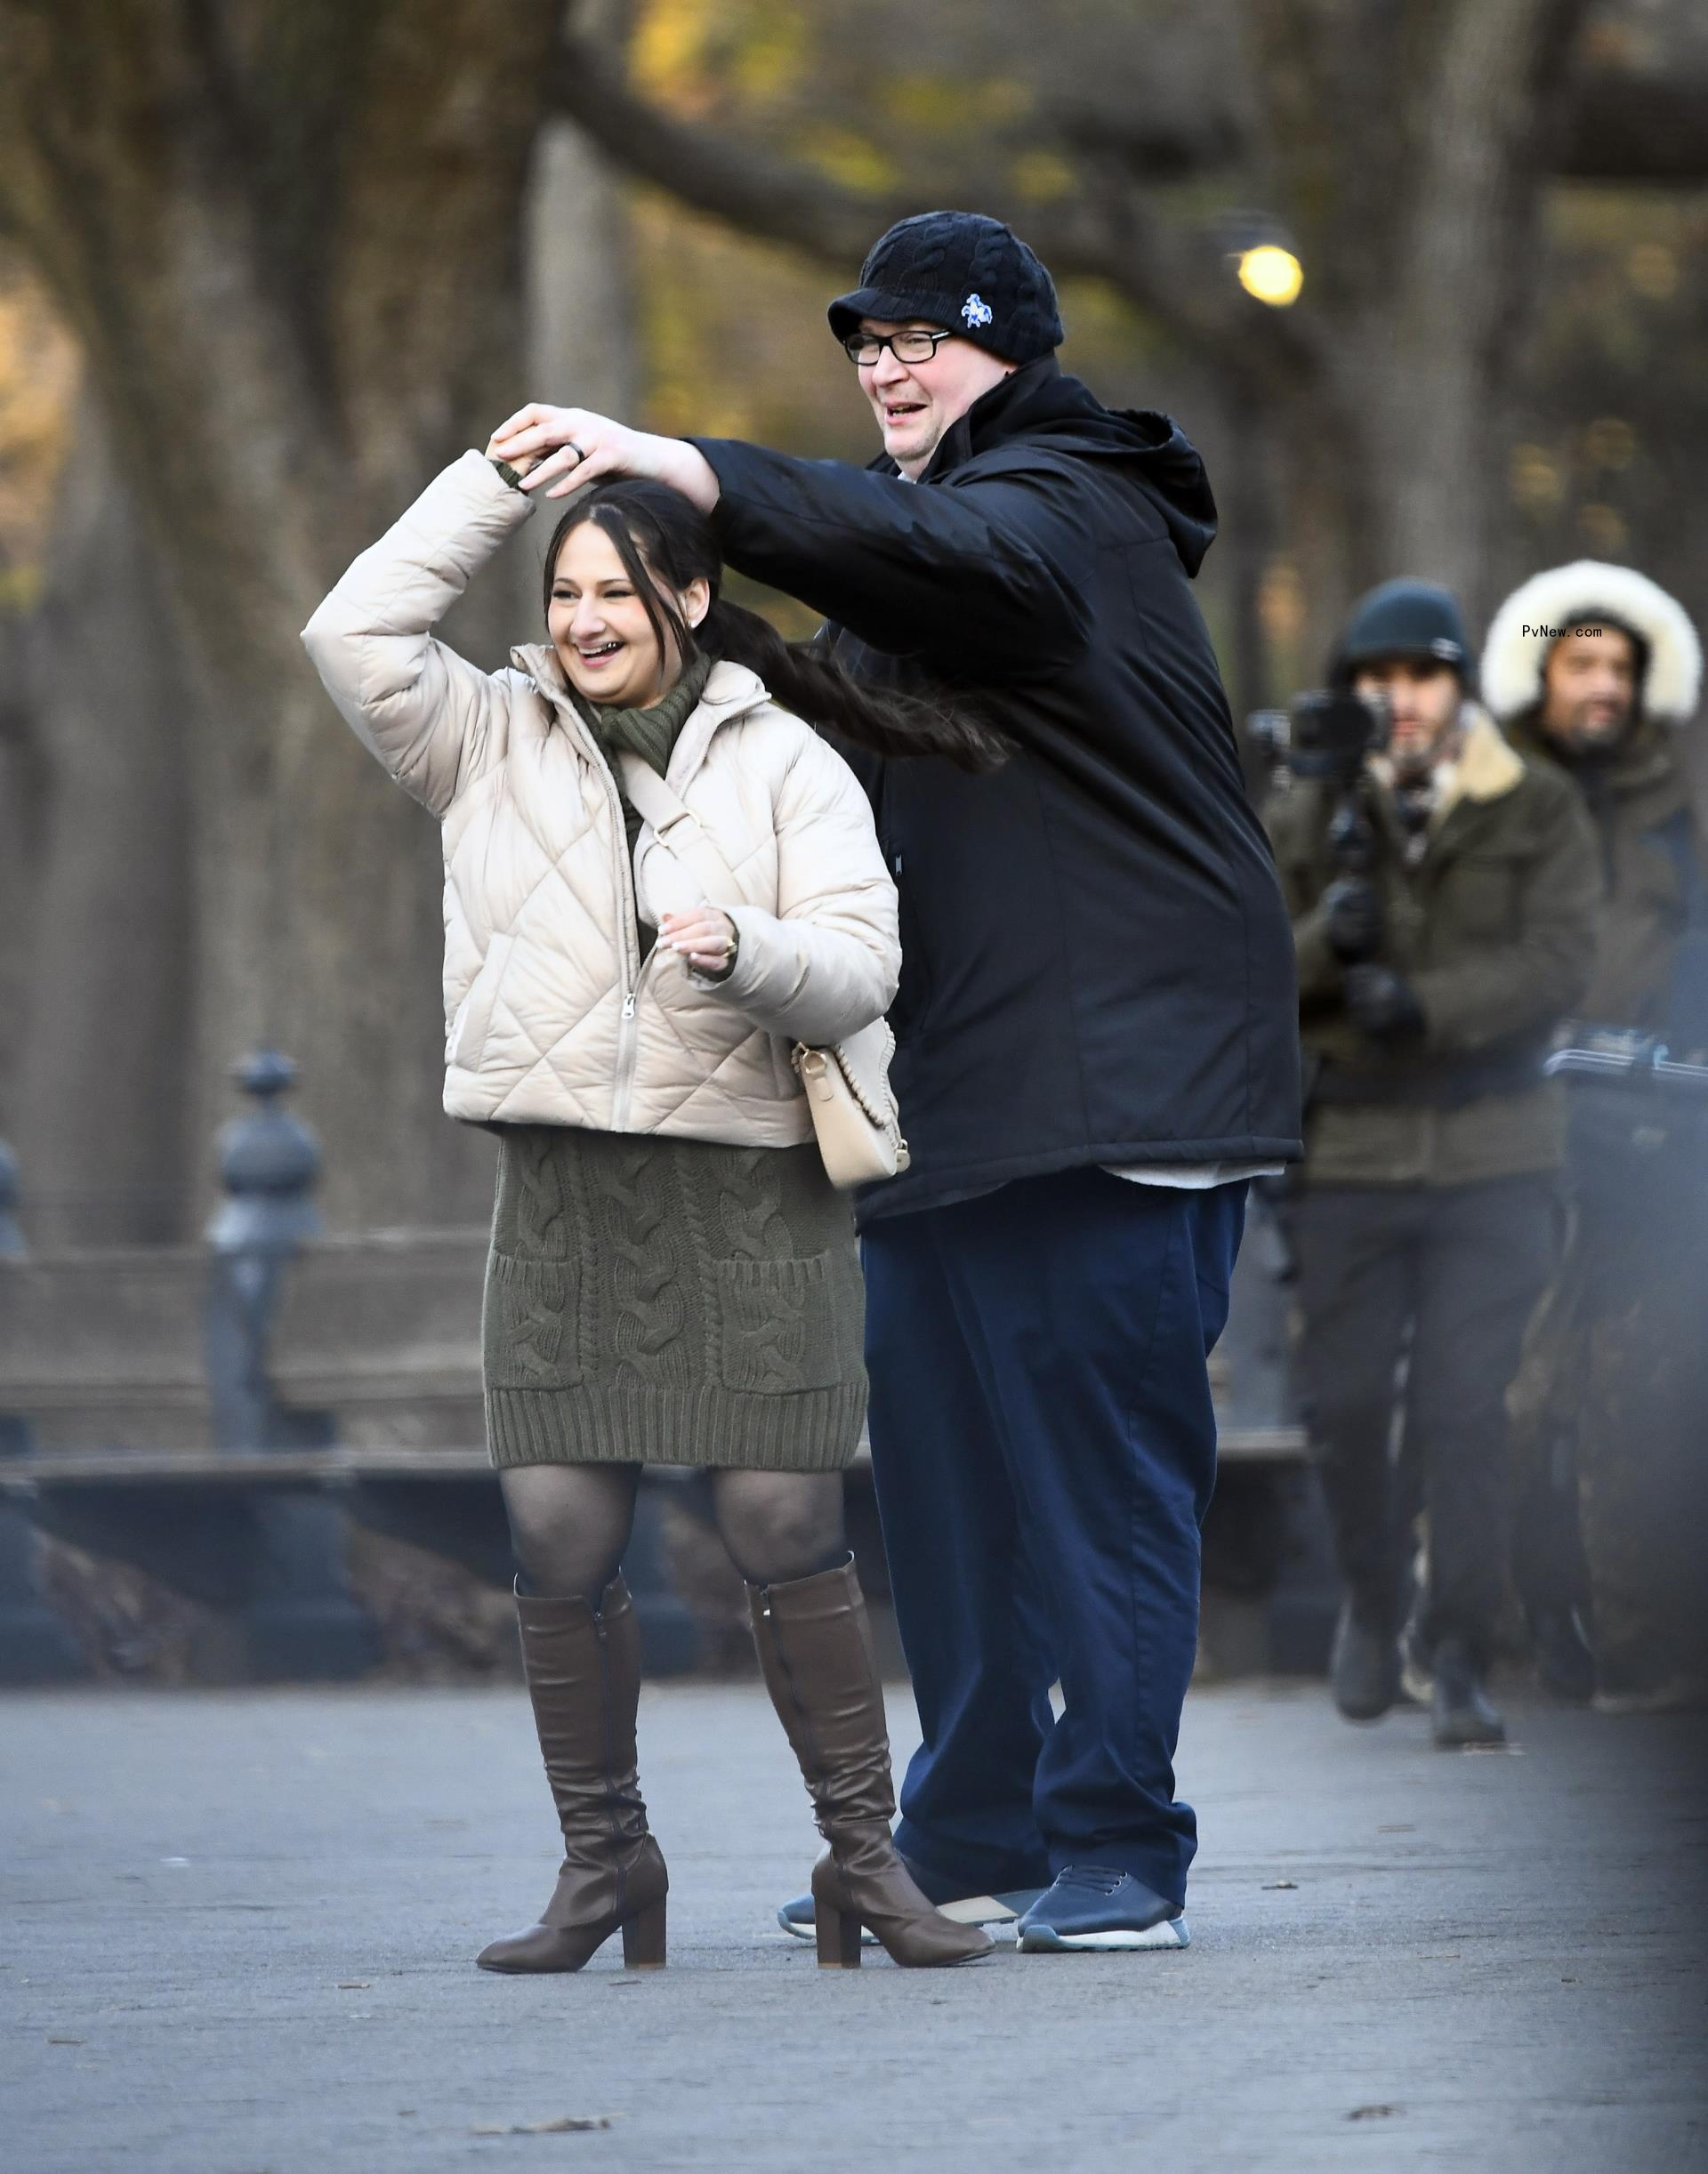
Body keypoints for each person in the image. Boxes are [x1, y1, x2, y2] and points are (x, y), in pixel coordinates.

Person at [488, 210, 1301, 1953]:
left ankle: (1123, 1845)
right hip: (955, 1099)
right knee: (950, 1504)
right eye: (865, 343)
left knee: (1099, 1494)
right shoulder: (942, 562)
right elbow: (848, 708)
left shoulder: (1068, 511)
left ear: (1014, 351)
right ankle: (973, 1822)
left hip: (1119, 1095)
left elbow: (945, 568)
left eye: (922, 338)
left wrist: (690, 467)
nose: (885, 365)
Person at [301, 439, 996, 1971]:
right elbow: (351, 631)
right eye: (562, 591)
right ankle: (606, 1863)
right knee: (554, 1532)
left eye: (617, 588)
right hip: (564, 1196)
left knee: (779, 1516)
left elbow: (863, 969)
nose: (585, 618)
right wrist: (493, 482)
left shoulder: (785, 760)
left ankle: (863, 1867)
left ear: (690, 595)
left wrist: (742, 946)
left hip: (755, 1193)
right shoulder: (480, 738)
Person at [1263, 580, 1600, 1747]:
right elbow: (1240, 954)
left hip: (1494, 1151)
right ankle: (1374, 1597)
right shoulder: (1306, 807)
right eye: (1374, 676)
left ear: (1459, 683)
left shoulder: (1534, 803)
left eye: (1420, 674)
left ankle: (1459, 1648)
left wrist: (1431, 1005)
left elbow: (1563, 957)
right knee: (1348, 1404)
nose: (1397, 698)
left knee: (1469, 1409)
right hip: (1347, 1152)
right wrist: (1325, 943)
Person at [1486, 563, 1708, 1711]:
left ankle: (1638, 1648)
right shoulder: (1496, 795)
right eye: (1581, 663)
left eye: (1620, 665)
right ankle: (1508, 1632)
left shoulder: (1681, 811)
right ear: (1544, 676)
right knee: (1520, 1397)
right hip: (1519, 1128)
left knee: (1641, 1387)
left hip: (1655, 1133)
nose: (1604, 685)